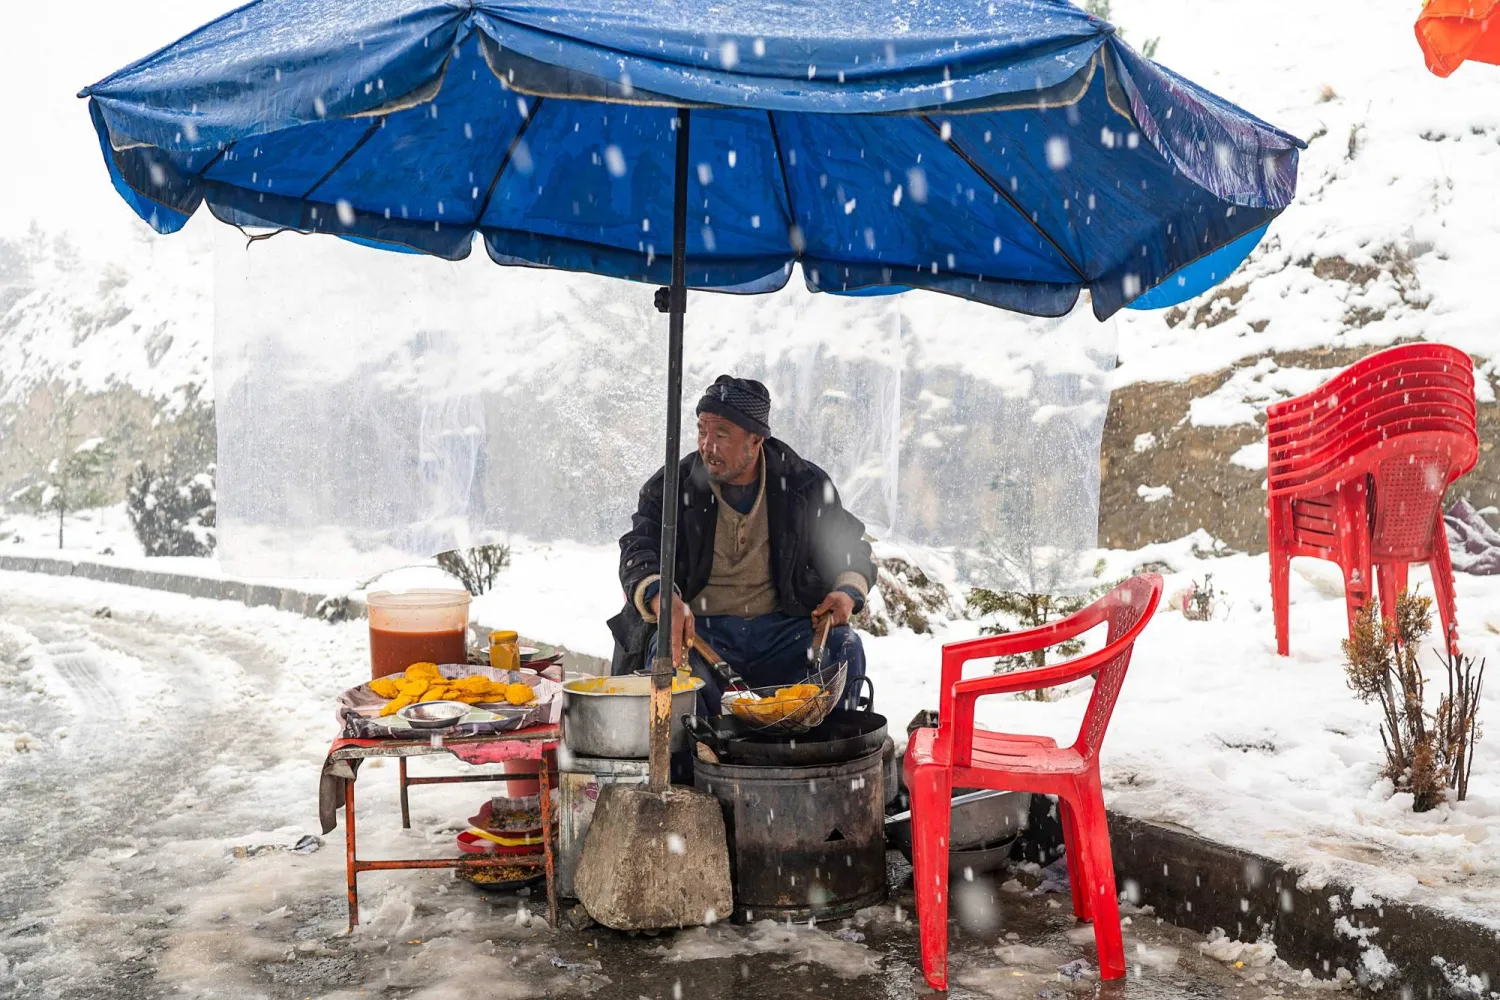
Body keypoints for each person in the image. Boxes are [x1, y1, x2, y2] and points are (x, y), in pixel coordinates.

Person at [608, 375, 874, 714]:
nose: (707, 446)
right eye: (702, 431)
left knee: (843, 648)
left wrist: (846, 593)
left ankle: (819, 761)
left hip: (781, 631)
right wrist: (663, 598)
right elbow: (639, 546)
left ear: (756, 439)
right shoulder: (674, 485)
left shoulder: (802, 484)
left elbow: (850, 548)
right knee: (670, 666)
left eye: (721, 435)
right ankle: (694, 764)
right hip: (701, 632)